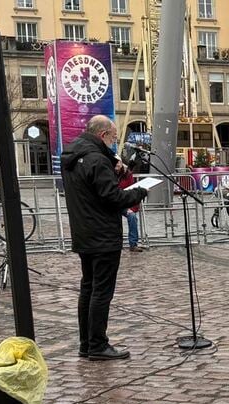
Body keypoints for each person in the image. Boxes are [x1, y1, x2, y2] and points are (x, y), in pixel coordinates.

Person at [61, 115, 147, 360]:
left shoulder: (74, 155)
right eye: (113, 137)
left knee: (88, 288)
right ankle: (98, 344)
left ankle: (86, 343)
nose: (114, 142)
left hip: (84, 231)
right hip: (102, 233)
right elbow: (112, 198)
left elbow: (95, 191)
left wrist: (116, 174)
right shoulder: (97, 159)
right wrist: (139, 191)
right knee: (101, 291)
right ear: (102, 135)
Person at [116, 157, 144, 252]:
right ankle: (115, 243)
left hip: (124, 203)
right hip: (112, 202)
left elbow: (132, 190)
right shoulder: (108, 173)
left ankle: (133, 244)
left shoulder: (127, 174)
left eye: (118, 162)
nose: (117, 164)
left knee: (132, 216)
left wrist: (131, 207)